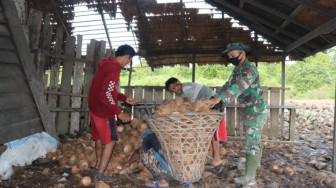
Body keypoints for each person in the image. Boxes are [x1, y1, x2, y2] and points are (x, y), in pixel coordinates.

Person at [206, 42, 267, 184]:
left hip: (256, 111)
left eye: (233, 56)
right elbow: (228, 85)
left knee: (252, 140)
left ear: (242, 54)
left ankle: (250, 177)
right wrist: (216, 97)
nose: (231, 59)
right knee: (253, 139)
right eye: (229, 57)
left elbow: (238, 87)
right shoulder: (237, 70)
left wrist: (221, 98)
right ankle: (254, 165)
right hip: (248, 110)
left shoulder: (250, 70)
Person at [88, 44, 139, 182]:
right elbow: (106, 94)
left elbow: (108, 90)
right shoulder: (114, 68)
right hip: (104, 112)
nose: (128, 62)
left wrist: (125, 99)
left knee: (98, 138)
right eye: (129, 60)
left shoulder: (106, 65)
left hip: (94, 109)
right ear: (127, 56)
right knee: (110, 142)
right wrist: (118, 112)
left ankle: (99, 163)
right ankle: (100, 174)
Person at [165, 78, 227, 170]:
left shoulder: (186, 88)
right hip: (207, 106)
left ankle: (217, 159)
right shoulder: (183, 93)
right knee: (208, 132)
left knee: (213, 132)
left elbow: (187, 107)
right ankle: (208, 157)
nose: (175, 91)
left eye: (174, 87)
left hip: (214, 103)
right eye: (172, 90)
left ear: (179, 83)